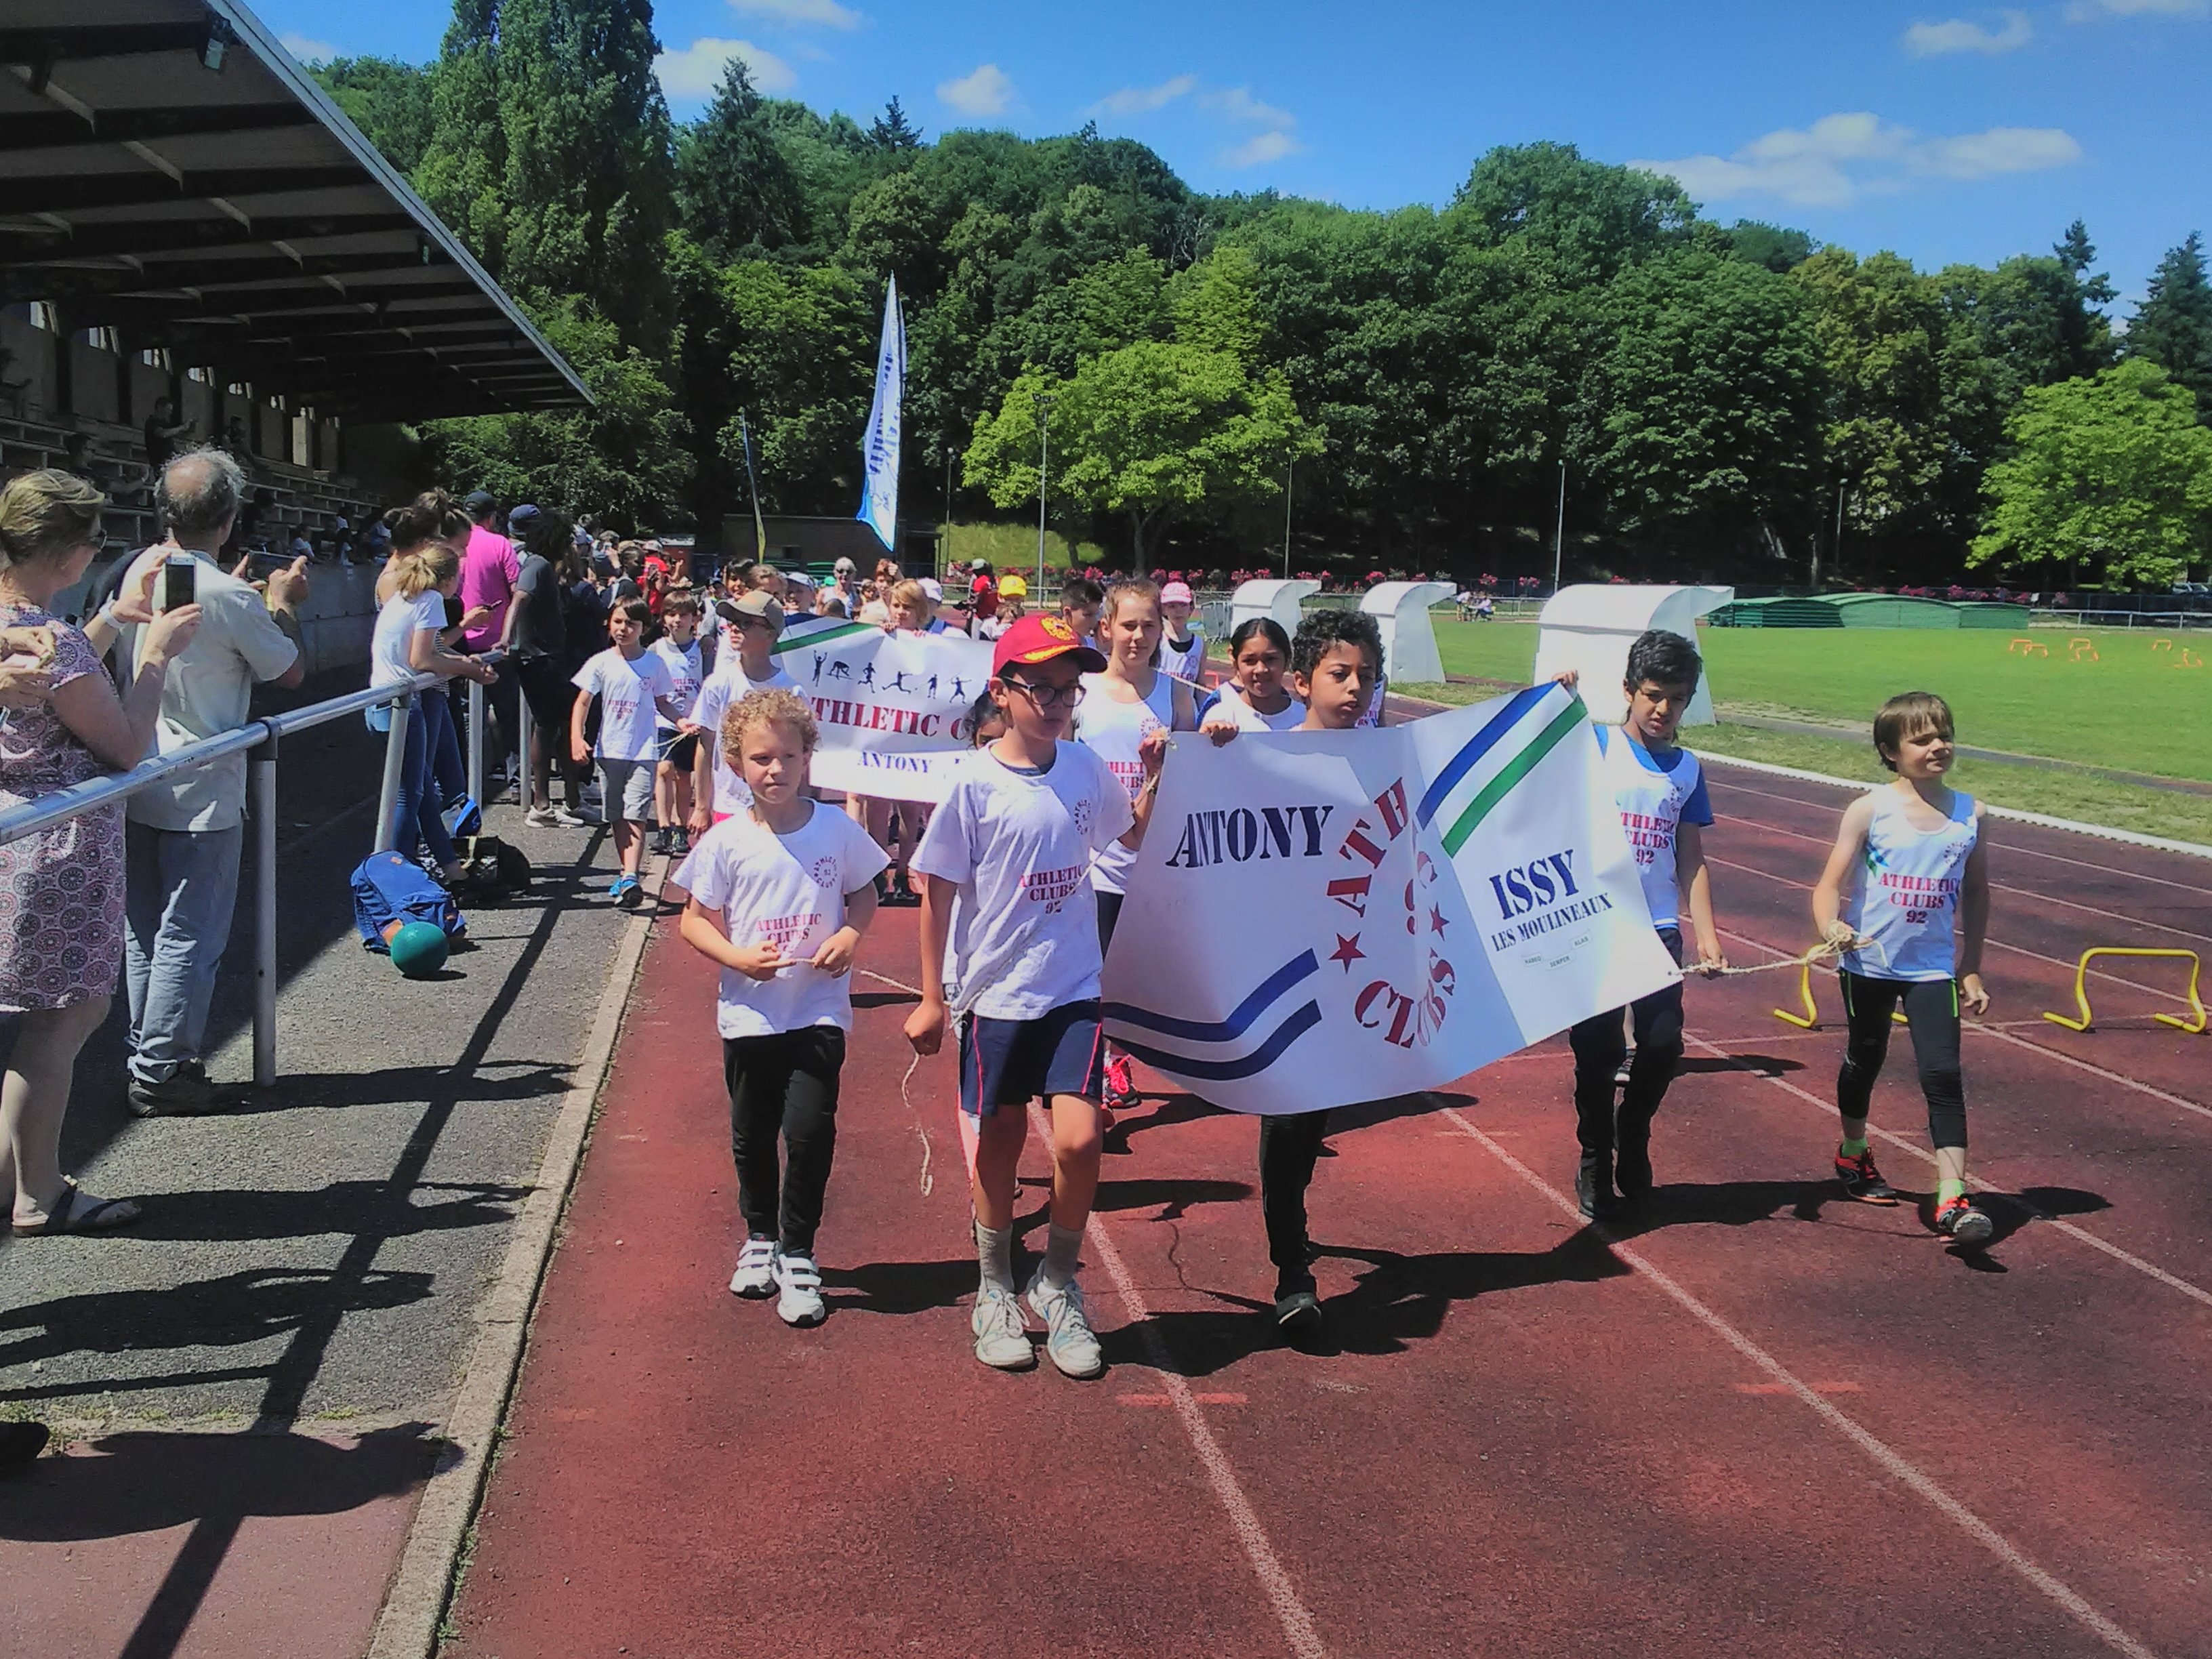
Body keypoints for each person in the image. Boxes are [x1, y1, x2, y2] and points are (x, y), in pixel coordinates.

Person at [905, 613, 1166, 1377]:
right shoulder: (973, 784)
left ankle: (1057, 1280)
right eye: (1041, 688)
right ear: (1003, 691)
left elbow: (1131, 836)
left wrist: (1157, 773)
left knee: (1082, 1140)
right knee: (1002, 1140)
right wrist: (929, 996)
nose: (1056, 703)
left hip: (1073, 988)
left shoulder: (1084, 769)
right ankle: (993, 1286)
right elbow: (937, 892)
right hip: (996, 993)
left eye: (1068, 690)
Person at [1, 470, 200, 1230]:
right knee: (64, 1016)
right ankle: (39, 1192)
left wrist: (114, 619)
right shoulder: (53, 643)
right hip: (61, 852)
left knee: (42, 1016)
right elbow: (122, 744)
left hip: (19, 842)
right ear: (68, 555)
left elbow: (61, 672)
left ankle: (12, 1183)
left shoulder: (20, 628)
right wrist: (156, 655)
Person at [675, 689, 886, 1327]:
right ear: (737, 764)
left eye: (788, 757)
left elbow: (865, 894)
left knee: (809, 1130)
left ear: (807, 759)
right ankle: (760, 1236)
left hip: (818, 1011)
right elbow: (693, 921)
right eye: (761, 759)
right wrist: (737, 958)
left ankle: (799, 1251)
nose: (775, 770)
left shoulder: (835, 828)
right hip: (750, 1016)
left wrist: (851, 935)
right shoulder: (727, 842)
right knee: (752, 1135)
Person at [111, 448, 309, 1117]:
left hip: (137, 768)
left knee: (147, 928)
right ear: (227, 520)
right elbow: (289, 671)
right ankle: (161, 1067)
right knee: (190, 931)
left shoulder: (135, 572)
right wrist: (280, 604)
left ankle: (151, 1051)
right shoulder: (227, 594)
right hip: (202, 783)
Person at [1208, 607, 1385, 1338]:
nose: (1354, 689)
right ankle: (1293, 1271)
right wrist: (1207, 755)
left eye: (1366, 678)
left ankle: (1296, 1220)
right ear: (1302, 678)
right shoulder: (1261, 755)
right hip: (1282, 970)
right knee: (1285, 1118)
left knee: (1312, 1120)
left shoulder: (1385, 757)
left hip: (1354, 967)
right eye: (1340, 674)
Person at [1811, 691, 1994, 1246]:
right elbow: (1828, 886)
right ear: (1890, 752)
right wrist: (1830, 927)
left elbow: (1978, 894)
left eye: (1944, 734)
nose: (1938, 745)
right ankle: (1854, 1152)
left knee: (1942, 1074)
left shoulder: (1972, 814)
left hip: (1932, 971)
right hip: (1868, 963)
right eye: (1922, 738)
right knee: (1865, 1058)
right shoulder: (1870, 810)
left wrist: (1972, 966)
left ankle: (1953, 1197)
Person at [1564, 630, 1725, 1218]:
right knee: (1598, 1050)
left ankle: (1633, 1131)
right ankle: (1594, 1154)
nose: (1663, 710)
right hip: (1593, 922)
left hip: (1656, 925)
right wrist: (1556, 698)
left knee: (1662, 1044)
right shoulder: (1595, 746)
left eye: (1677, 699)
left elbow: (1691, 857)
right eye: (1653, 695)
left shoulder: (1687, 768)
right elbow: (1531, 756)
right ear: (1629, 691)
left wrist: (1706, 933)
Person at [1074, 579, 1197, 1113]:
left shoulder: (1179, 695)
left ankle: (1118, 1055)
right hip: (1094, 863)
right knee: (1092, 971)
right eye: (1129, 624)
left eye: (1149, 625)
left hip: (1156, 863)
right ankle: (1093, 1067)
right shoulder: (1081, 693)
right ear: (1107, 628)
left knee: (1137, 979)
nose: (1139, 635)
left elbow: (1198, 777)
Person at [371, 541, 497, 888]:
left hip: (385, 702)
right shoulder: (430, 601)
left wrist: (460, 664)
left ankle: (451, 868)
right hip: (402, 704)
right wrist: (468, 669)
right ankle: (393, 879)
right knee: (407, 797)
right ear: (449, 578)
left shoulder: (404, 596)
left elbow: (426, 655)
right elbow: (421, 660)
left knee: (421, 791)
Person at [571, 597, 683, 905]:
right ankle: (625, 875)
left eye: (631, 624)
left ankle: (632, 876)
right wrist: (577, 739)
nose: (623, 629)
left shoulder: (654, 664)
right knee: (617, 816)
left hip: (643, 751)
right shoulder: (601, 662)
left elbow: (663, 702)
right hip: (610, 751)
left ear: (643, 628)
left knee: (636, 814)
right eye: (618, 622)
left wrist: (682, 720)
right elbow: (583, 702)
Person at [504, 506, 590, 830]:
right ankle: (542, 804)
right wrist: (504, 639)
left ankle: (572, 800)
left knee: (561, 725)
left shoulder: (546, 568)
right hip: (538, 659)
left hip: (549, 657)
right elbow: (519, 598)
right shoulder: (537, 565)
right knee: (547, 726)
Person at [691, 592, 799, 832]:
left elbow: (803, 755)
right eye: (733, 622)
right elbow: (706, 746)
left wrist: (802, 803)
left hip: (777, 808)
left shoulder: (792, 690)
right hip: (728, 805)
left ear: (771, 633)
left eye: (746, 622)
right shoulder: (717, 683)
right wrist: (701, 806)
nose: (735, 628)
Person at [650, 591, 705, 857]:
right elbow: (655, 694)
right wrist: (677, 719)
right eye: (671, 614)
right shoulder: (656, 649)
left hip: (695, 721)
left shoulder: (705, 648)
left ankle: (680, 828)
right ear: (664, 619)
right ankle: (663, 827)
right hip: (666, 719)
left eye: (683, 615)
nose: (677, 620)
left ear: (695, 618)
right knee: (663, 769)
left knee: (685, 777)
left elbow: (710, 685)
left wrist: (698, 720)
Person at [1199, 618, 1303, 734]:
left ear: (1287, 661)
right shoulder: (1221, 718)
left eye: (1271, 659)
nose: (1261, 670)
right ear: (1236, 663)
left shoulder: (1305, 719)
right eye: (1250, 661)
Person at [1158, 580, 1206, 682]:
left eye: (1183, 605)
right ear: (1164, 609)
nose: (1178, 611)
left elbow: (1200, 684)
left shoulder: (1200, 644)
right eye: (1172, 606)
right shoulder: (1157, 640)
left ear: (1191, 608)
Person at [1059, 575, 1104, 647]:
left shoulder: (1091, 644)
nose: (1094, 621)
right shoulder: (1054, 645)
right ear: (1067, 613)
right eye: (1088, 615)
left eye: (1096, 614)